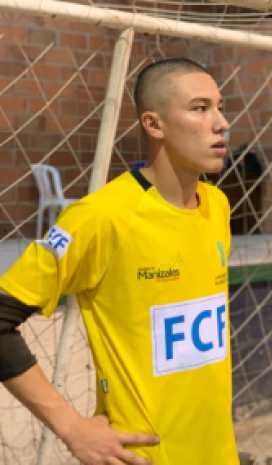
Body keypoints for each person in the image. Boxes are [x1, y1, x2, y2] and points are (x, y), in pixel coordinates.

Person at [0, 57, 238, 465]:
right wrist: (73, 428)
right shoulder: (101, 218)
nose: (221, 122)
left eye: (219, 106)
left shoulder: (216, 205)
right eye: (200, 108)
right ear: (154, 124)